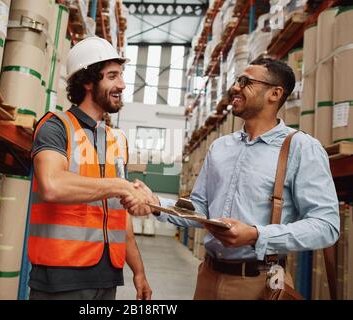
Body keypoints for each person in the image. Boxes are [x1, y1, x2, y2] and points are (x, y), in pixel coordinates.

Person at [127, 58, 340, 300]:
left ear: (275, 93)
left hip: (261, 283)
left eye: (245, 81)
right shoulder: (220, 147)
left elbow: (327, 226)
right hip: (208, 277)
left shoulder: (301, 148)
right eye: (237, 80)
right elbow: (200, 209)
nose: (235, 88)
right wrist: (156, 204)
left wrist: (257, 234)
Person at [28, 36, 152, 300]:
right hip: (61, 276)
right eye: (112, 76)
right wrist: (120, 185)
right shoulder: (56, 126)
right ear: (87, 81)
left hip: (107, 276)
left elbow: (120, 216)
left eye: (121, 76)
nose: (122, 84)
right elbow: (52, 186)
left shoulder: (117, 140)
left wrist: (138, 271)